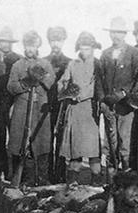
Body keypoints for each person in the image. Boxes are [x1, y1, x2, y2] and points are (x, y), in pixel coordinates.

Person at [7, 31, 56, 186]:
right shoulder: (17, 65)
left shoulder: (45, 64)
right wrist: (26, 83)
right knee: (20, 143)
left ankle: (42, 179)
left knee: (42, 144)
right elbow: (11, 87)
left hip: (40, 109)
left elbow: (51, 81)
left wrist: (40, 77)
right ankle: (24, 179)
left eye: (33, 46)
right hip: (22, 108)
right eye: (28, 46)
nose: (30, 49)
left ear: (38, 47)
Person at [57, 32, 104, 185]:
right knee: (75, 150)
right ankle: (73, 184)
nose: (85, 52)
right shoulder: (72, 64)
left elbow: (97, 87)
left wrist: (82, 94)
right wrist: (65, 90)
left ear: (93, 49)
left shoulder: (97, 65)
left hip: (89, 110)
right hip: (74, 110)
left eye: (88, 49)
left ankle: (97, 184)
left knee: (93, 150)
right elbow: (62, 82)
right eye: (82, 49)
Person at [99, 17, 138, 172]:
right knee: (110, 142)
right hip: (109, 105)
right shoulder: (105, 54)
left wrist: (124, 93)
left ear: (124, 34)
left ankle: (127, 175)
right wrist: (103, 101)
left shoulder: (133, 53)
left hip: (126, 106)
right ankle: (111, 177)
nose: (115, 36)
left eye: (119, 33)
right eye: (113, 33)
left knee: (125, 141)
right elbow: (99, 79)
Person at [0, 28, 22, 178]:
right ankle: (1, 170)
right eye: (2, 41)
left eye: (8, 42)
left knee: (16, 140)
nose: (5, 44)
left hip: (15, 104)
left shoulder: (19, 60)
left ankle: (16, 173)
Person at [44, 26, 71, 181]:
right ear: (48, 41)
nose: (56, 44)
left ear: (63, 41)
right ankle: (47, 174)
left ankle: (60, 175)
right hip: (45, 107)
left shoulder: (69, 63)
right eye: (53, 40)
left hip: (62, 107)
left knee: (61, 141)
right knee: (46, 140)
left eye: (58, 40)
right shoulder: (43, 61)